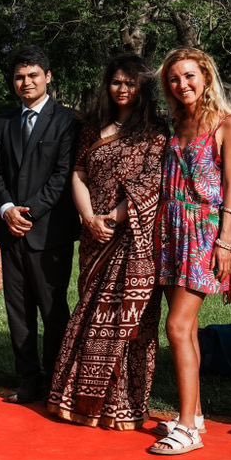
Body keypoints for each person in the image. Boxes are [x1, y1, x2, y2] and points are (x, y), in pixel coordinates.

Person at [47, 56, 168, 430]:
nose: (123, 89)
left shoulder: (156, 131)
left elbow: (152, 184)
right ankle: (81, 400)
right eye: (116, 82)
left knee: (131, 324)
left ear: (144, 86)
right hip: (94, 236)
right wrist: (89, 218)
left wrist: (114, 218)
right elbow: (78, 173)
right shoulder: (92, 127)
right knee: (91, 313)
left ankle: (123, 405)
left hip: (134, 239)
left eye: (130, 83)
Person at [151, 47, 231, 456]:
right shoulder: (174, 123)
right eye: (174, 79)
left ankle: (186, 426)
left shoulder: (226, 124)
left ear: (205, 76)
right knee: (184, 330)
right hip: (169, 230)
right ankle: (197, 415)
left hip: (203, 232)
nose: (182, 84)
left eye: (189, 76)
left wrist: (226, 241)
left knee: (176, 326)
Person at [0, 46, 81, 403]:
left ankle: (55, 382)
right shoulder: (4, 122)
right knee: (18, 311)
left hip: (50, 233)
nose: (26, 82)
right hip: (11, 232)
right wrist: (7, 208)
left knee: (53, 310)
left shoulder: (68, 121)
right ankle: (27, 380)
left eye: (33, 75)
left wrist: (29, 212)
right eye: (19, 76)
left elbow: (63, 176)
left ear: (48, 76)